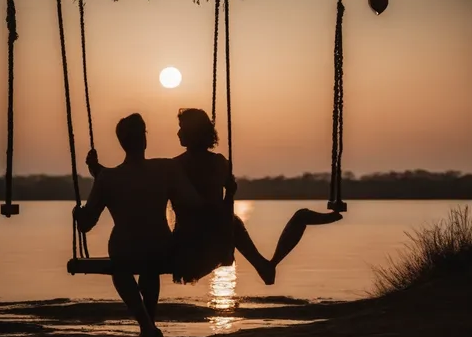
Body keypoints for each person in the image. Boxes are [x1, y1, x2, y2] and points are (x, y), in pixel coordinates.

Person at [86, 108, 343, 287]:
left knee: (228, 221)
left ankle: (265, 264)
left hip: (188, 248)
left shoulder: (175, 166)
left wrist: (99, 173)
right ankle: (265, 264)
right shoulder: (221, 163)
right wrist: (229, 196)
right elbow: (217, 206)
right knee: (230, 221)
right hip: (216, 241)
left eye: (181, 128)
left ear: (193, 132)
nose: (177, 133)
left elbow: (138, 179)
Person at [74, 113, 208, 337]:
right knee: (150, 268)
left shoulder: (108, 178)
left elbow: (86, 225)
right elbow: (194, 202)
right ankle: (149, 324)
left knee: (121, 270)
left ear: (121, 143)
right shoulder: (166, 168)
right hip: (161, 247)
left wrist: (78, 213)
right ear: (144, 140)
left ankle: (145, 324)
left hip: (124, 249)